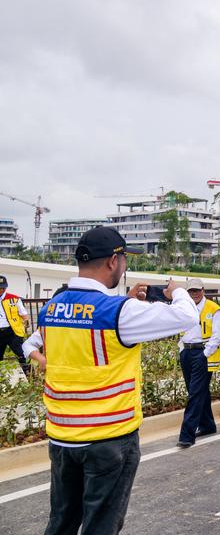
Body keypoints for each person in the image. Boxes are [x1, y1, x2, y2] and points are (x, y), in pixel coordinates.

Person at [21, 226, 198, 535]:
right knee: (100, 527)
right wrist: (175, 291)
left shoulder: (51, 309)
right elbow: (186, 316)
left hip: (62, 437)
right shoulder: (119, 312)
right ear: (113, 261)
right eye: (125, 260)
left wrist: (127, 303)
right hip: (108, 440)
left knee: (60, 524)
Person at [176, 278, 220, 448]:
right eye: (191, 291)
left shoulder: (213, 308)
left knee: (195, 393)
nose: (195, 294)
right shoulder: (185, 309)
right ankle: (208, 425)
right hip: (186, 352)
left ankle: (187, 435)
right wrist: (181, 348)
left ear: (203, 290)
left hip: (202, 353)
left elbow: (218, 336)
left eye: (197, 290)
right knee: (197, 391)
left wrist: (204, 354)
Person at [0, 275, 31, 376]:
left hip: (13, 332)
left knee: (21, 355)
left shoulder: (14, 299)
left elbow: (24, 314)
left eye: (3, 288)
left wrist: (25, 327)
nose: (1, 290)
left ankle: (31, 376)